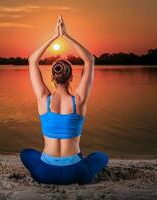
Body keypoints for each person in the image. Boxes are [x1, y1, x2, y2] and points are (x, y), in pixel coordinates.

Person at [20, 16, 109, 185]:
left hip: (45, 173)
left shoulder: (43, 99)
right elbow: (89, 60)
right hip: (76, 172)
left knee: (26, 153)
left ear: (52, 78)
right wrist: (66, 35)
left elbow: (32, 60)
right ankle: (78, 162)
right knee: (101, 157)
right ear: (71, 78)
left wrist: (54, 36)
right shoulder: (79, 100)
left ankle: (53, 161)